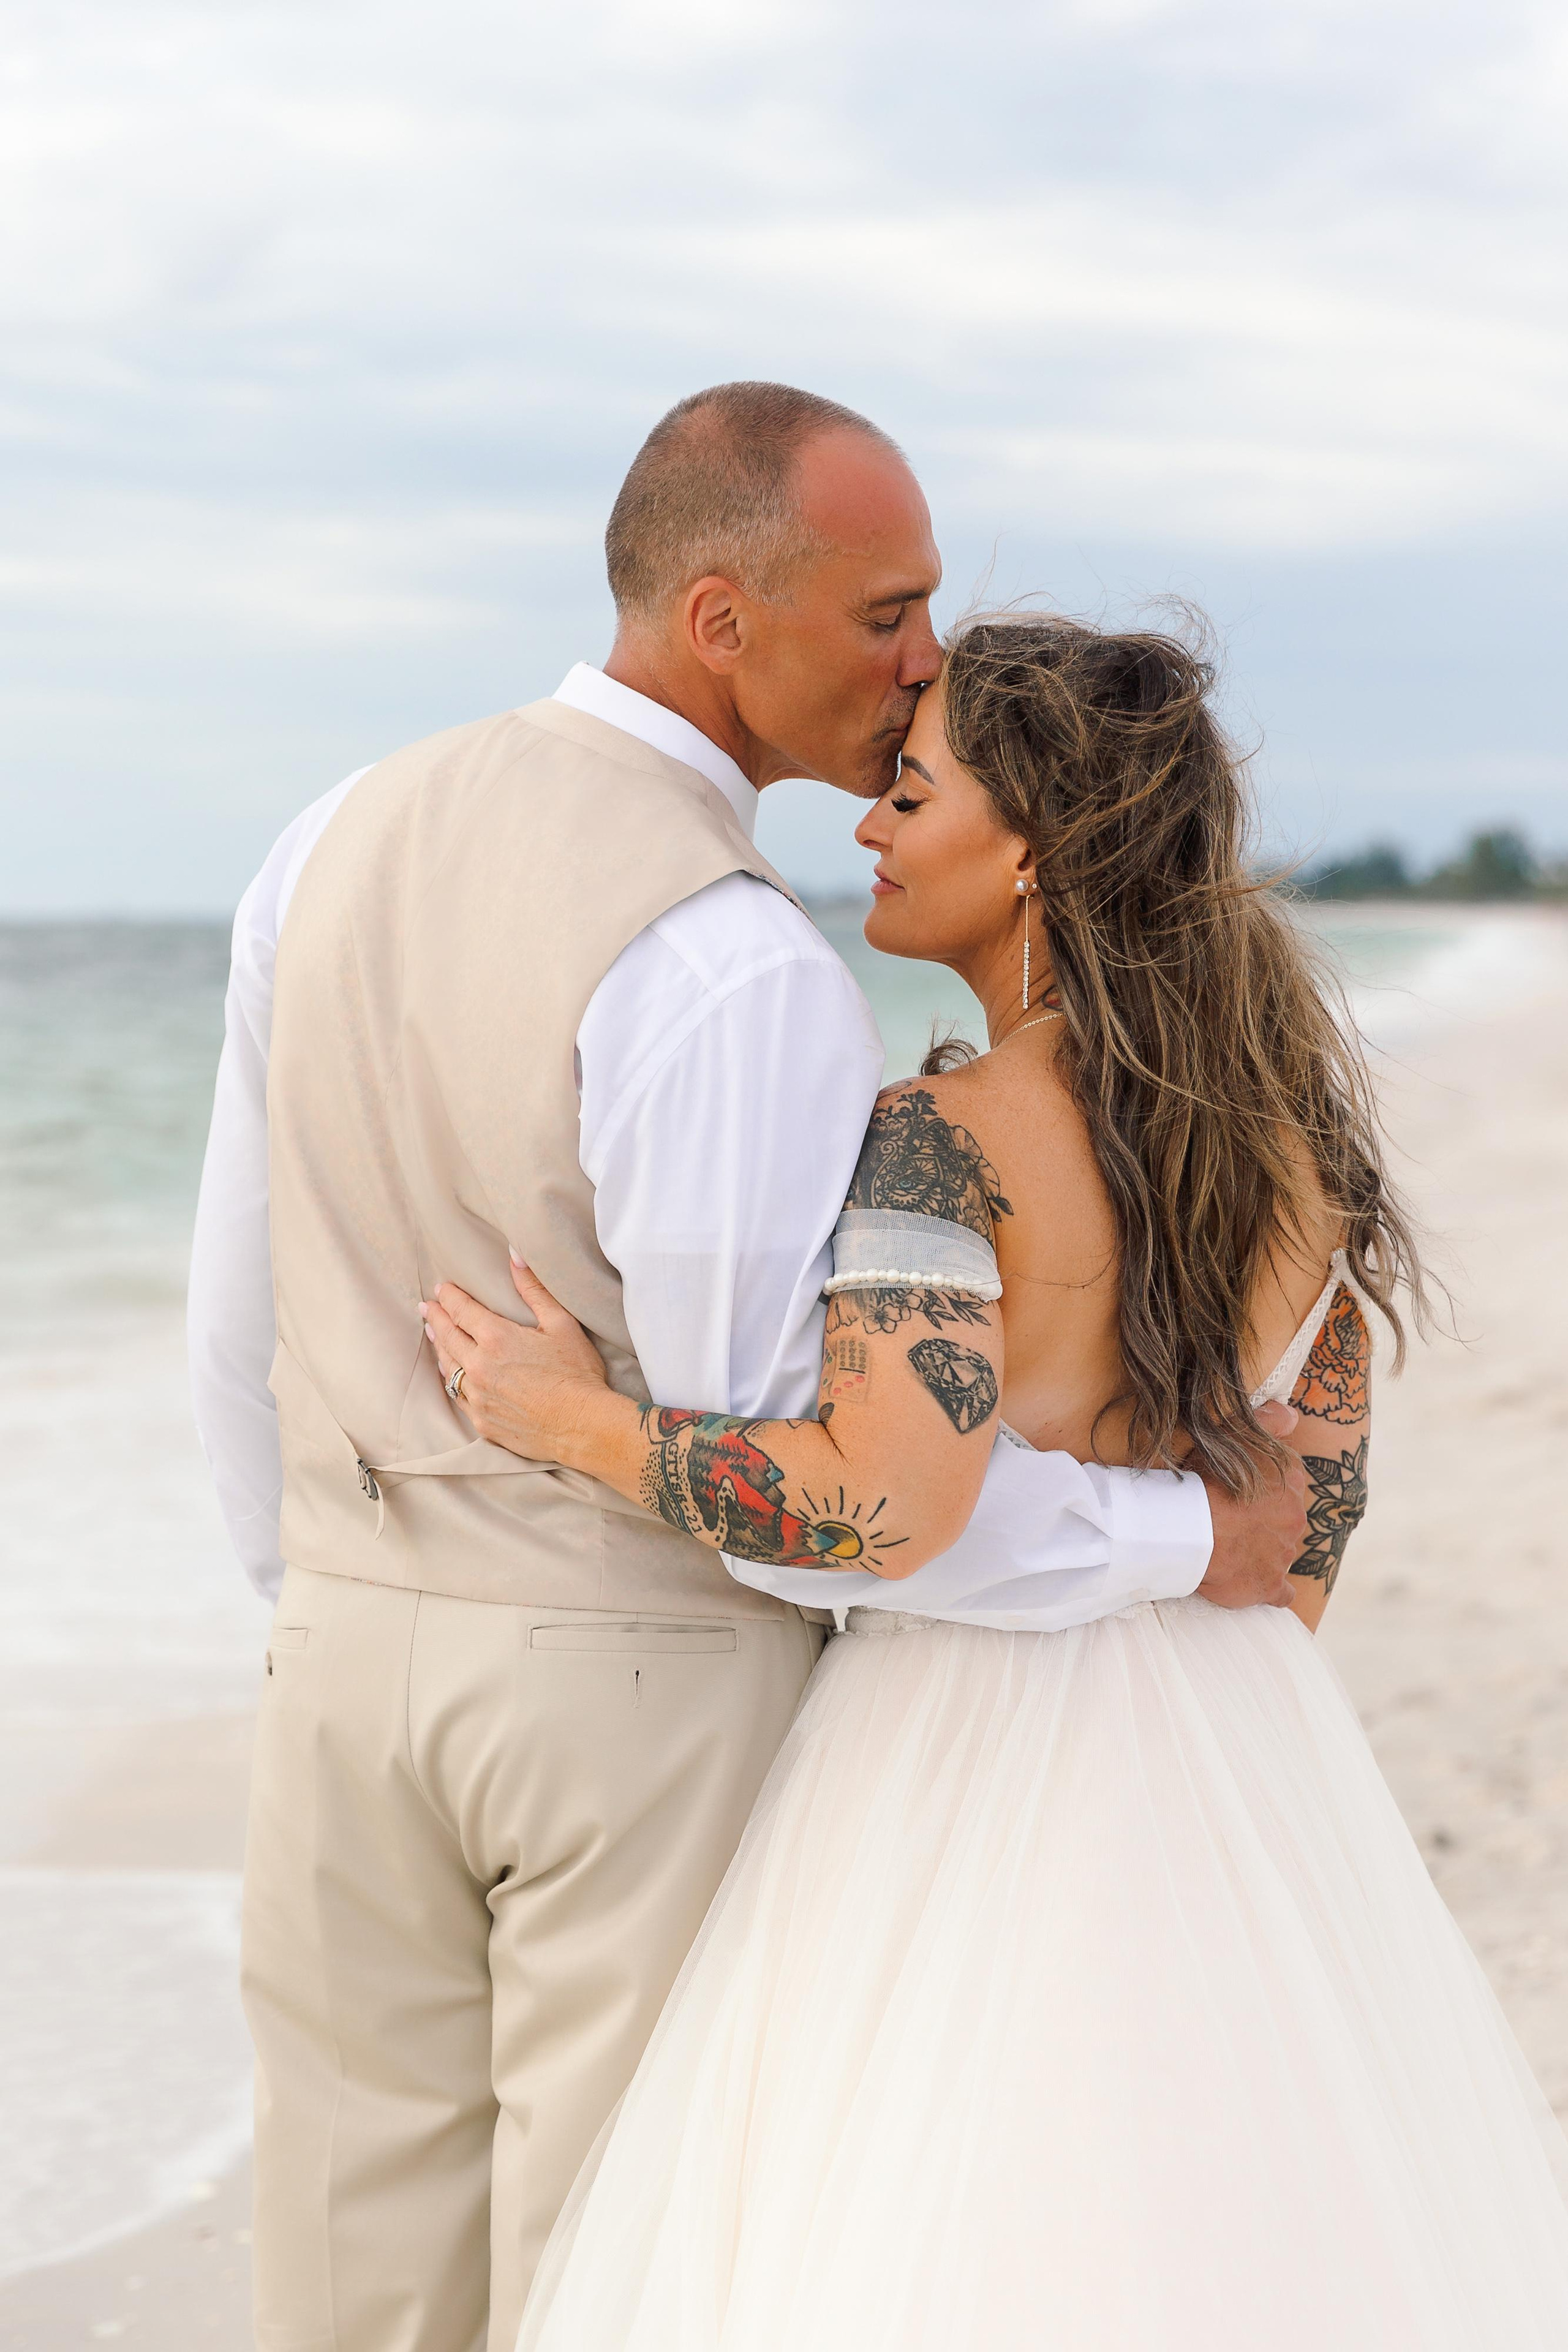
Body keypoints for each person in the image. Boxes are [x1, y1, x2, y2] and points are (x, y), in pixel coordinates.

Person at [186, 385, 1308, 2352]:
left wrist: (322, 1599)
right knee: (625, 2268)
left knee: (347, 2280)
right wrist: (1172, 1541)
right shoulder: (729, 959)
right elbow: (817, 1502)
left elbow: (242, 1293)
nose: (922, 663)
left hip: (343, 1666)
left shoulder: (326, 837)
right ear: (723, 620)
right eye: (889, 612)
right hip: (631, 1684)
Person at [424, 614, 1568, 2351]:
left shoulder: (942, 1135)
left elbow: (888, 1510)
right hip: (1240, 1753)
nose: (869, 828)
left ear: (1031, 846)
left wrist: (578, 1423)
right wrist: (1189, 1634)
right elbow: (1309, 1534)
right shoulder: (1299, 1140)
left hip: (960, 1751)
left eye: (910, 787)